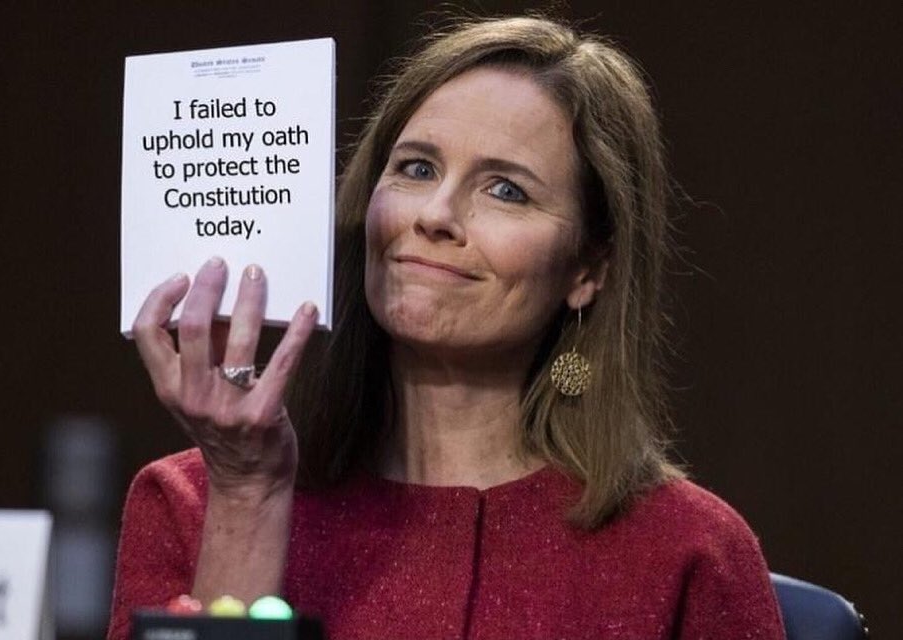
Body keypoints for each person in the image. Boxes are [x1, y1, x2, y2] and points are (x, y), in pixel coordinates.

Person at [108, 16, 785, 640]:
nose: (434, 214)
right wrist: (248, 496)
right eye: (417, 168)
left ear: (587, 268)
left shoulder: (690, 552)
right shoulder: (191, 505)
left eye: (506, 190)